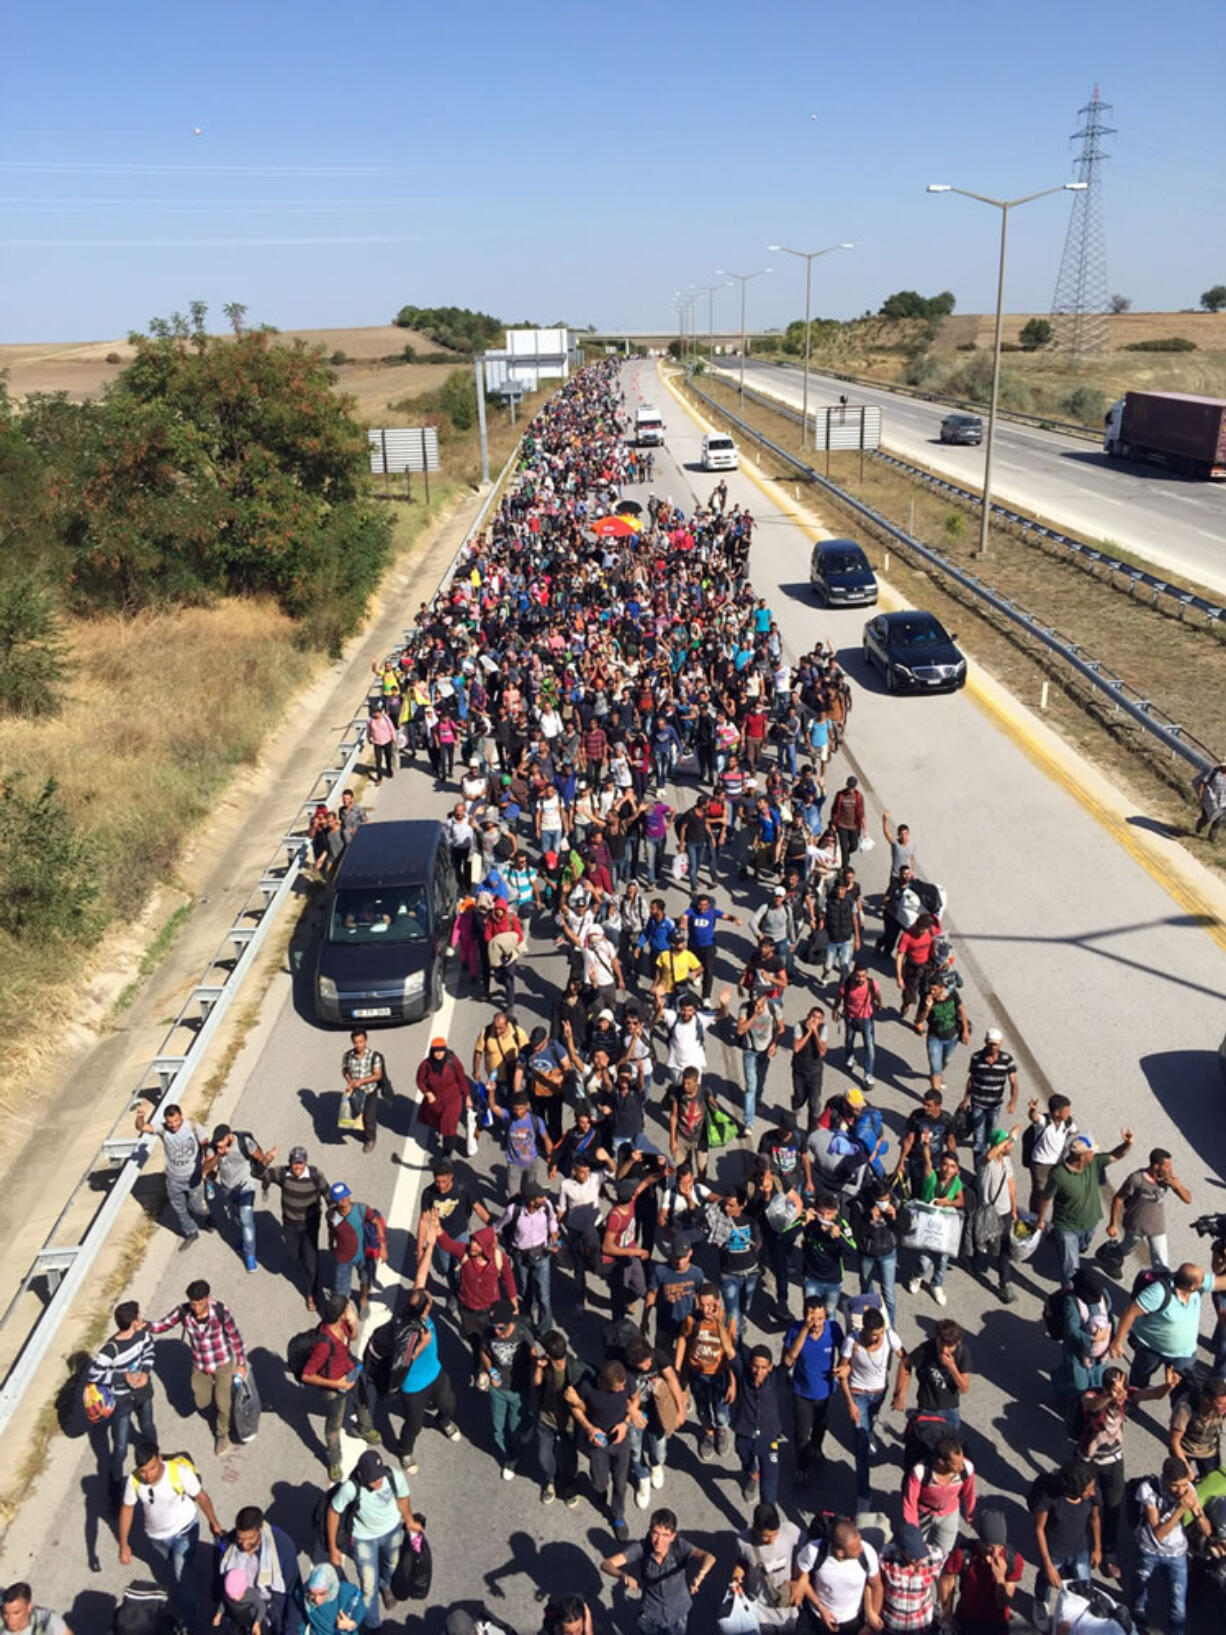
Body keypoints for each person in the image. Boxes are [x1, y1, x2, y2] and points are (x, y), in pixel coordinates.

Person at [118, 1440, 223, 1633]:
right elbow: (127, 1509)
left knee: (182, 1580)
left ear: (159, 1459)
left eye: (152, 1468)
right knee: (176, 1565)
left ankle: (189, 1626)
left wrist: (213, 1521)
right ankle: (190, 1571)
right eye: (143, 1471)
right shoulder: (134, 1481)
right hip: (157, 1537)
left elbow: (201, 1496)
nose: (148, 1475)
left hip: (185, 1530)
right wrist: (123, 1544)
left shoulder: (179, 1473)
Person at [147, 1278, 247, 1456]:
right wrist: (145, 1326)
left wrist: (241, 1363)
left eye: (199, 1303)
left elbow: (235, 1337)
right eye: (193, 1303)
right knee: (202, 1402)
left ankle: (222, 1434)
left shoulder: (220, 1312)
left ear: (208, 1298)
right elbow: (163, 1324)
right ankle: (218, 1397)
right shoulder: (184, 1312)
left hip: (222, 1362)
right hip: (200, 1365)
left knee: (223, 1405)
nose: (195, 1308)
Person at [325, 1449, 420, 1631]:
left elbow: (403, 1498)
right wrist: (333, 1548)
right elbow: (333, 1511)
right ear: (361, 1475)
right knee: (368, 1587)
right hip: (363, 1540)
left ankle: (385, 1586)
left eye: (379, 1478)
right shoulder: (350, 1488)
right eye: (372, 1480)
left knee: (391, 1566)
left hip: (392, 1531)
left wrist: (409, 1520)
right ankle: (374, 1626)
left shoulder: (393, 1476)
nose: (378, 1483)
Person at [1035, 1129, 1135, 1288]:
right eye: (1091, 1152)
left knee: (1082, 1246)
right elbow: (1046, 1198)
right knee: (1071, 1269)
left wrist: (1127, 1143)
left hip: (1090, 1222)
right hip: (1067, 1227)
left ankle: (1058, 1241)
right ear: (1082, 1157)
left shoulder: (1093, 1163)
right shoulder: (1059, 1174)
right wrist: (1040, 1219)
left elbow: (1116, 1155)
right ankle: (1070, 1299)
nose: (1094, 1154)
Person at [301, 1293, 382, 1480]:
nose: (350, 1310)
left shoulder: (342, 1326)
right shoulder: (323, 1343)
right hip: (334, 1389)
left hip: (350, 1371)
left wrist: (353, 1323)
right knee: (333, 1426)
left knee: (362, 1403)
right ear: (340, 1315)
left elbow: (352, 1338)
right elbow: (307, 1375)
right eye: (347, 1309)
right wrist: (336, 1384)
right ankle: (334, 1460)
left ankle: (364, 1427)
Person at [600, 1507, 716, 1635]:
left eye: (665, 1535)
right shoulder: (642, 1548)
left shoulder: (680, 1547)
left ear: (672, 1536)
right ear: (650, 1532)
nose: (658, 1541)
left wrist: (699, 1576)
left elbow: (709, 1557)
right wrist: (623, 1575)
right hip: (650, 1614)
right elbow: (606, 1564)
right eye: (655, 1533)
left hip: (677, 1613)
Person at [1109, 1259, 1226, 1385]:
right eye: (1201, 1280)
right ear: (1192, 1286)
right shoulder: (1158, 1293)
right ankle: (1133, 1399)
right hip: (1150, 1349)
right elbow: (1129, 1312)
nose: (1205, 1281)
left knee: (1182, 1387)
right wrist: (1117, 1343)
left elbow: (1221, 1282)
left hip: (1184, 1354)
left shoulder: (1195, 1284)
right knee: (1139, 1380)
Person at [1130, 1456, 1210, 1635]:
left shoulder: (1188, 1490)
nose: (1181, 1491)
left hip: (1177, 1554)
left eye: (1184, 1484)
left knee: (1178, 1603)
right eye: (1175, 1485)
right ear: (1165, 1479)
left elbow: (1206, 1529)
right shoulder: (1148, 1490)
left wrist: (1198, 1514)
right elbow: (1158, 1534)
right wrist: (1181, 1508)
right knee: (1140, 1588)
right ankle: (1137, 1612)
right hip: (1149, 1549)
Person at [86, 1299, 158, 1501]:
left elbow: (149, 1351)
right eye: (139, 1315)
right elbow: (94, 1376)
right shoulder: (111, 1350)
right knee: (120, 1447)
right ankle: (116, 1487)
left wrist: (145, 1372)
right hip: (122, 1400)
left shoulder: (142, 1334)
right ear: (133, 1321)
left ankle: (156, 1460)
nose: (141, 1318)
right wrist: (121, 1377)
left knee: (148, 1426)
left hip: (143, 1392)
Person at [385, 1287, 461, 1472]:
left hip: (435, 1372)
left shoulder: (420, 1309)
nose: (430, 1296)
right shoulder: (407, 1329)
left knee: (449, 1404)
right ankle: (405, 1451)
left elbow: (421, 1275)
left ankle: (443, 1420)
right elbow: (402, 1361)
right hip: (414, 1386)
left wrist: (426, 1255)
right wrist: (422, 1344)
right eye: (428, 1298)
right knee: (414, 1424)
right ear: (425, 1308)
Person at [837, 1306, 904, 1515]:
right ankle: (863, 1495)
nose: (878, 1339)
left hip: (879, 1393)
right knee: (862, 1449)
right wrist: (850, 1403)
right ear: (864, 1329)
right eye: (874, 1335)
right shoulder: (852, 1342)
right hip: (859, 1395)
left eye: (880, 1334)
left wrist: (900, 1392)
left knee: (871, 1424)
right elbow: (842, 1373)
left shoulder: (890, 1337)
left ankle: (870, 1432)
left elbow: (906, 1359)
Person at [566, 1357, 640, 1541]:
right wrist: (589, 1427)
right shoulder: (587, 1387)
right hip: (599, 1443)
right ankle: (600, 1489)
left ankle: (618, 1516)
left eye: (623, 1386)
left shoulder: (627, 1380)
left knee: (621, 1482)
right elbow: (574, 1406)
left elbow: (635, 1398)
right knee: (599, 1483)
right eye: (618, 1388)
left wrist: (625, 1423)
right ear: (605, 1384)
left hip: (621, 1440)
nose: (622, 1389)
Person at [1030, 1459, 1101, 1629]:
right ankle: (1040, 1601)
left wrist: (1097, 1548)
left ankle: (1079, 1615)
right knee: (1046, 1580)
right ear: (1075, 1489)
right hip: (1054, 1551)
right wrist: (1047, 1564)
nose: (1093, 1492)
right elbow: (1039, 1529)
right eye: (1088, 1489)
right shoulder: (1049, 1498)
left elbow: (1095, 1518)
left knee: (1084, 1587)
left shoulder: (1092, 1494)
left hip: (1081, 1549)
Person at [414, 1157, 492, 1310]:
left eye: (444, 1181)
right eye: (437, 1181)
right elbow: (424, 1220)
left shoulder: (462, 1188)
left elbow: (478, 1208)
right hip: (441, 1238)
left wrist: (492, 1228)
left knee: (463, 1265)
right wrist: (420, 1249)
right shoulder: (428, 1194)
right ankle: (454, 1290)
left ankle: (463, 1293)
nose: (440, 1186)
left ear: (451, 1177)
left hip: (460, 1235)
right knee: (446, 1268)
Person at [134, 1099, 211, 1247]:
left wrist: (205, 1169)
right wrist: (141, 1115)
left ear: (181, 1116)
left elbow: (206, 1146)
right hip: (173, 1179)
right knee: (180, 1209)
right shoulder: (162, 1129)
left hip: (193, 1177)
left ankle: (206, 1218)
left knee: (197, 1206)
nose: (173, 1125)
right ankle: (191, 1232)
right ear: (165, 1121)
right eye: (170, 1122)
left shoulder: (193, 1127)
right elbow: (141, 1127)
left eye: (176, 1121)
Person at [216, 1504, 303, 1635]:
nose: (244, 1545)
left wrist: (290, 1631)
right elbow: (221, 1585)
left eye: (250, 1538)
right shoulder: (228, 1547)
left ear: (260, 1530)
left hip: (272, 1612)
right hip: (239, 1612)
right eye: (240, 1539)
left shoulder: (282, 1546)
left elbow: (293, 1592)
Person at [261, 1146, 330, 1309]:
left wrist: (334, 1216)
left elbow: (328, 1194)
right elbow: (258, 1174)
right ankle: (305, 1263)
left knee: (311, 1263)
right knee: (293, 1256)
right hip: (290, 1225)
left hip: (310, 1225)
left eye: (300, 1163)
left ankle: (311, 1294)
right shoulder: (283, 1174)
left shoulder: (315, 1176)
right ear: (289, 1163)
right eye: (294, 1163)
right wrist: (266, 1161)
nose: (297, 1167)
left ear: (305, 1162)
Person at [675, 1283, 737, 1464]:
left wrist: (733, 1382)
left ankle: (722, 1430)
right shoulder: (692, 1320)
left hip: (719, 1373)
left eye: (710, 1305)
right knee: (702, 1408)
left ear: (718, 1302)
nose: (705, 1310)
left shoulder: (727, 1322)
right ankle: (708, 1432)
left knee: (721, 1409)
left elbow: (733, 1353)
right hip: (697, 1373)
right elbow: (682, 1339)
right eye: (701, 1305)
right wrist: (678, 1369)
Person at [784, 1297, 843, 1481]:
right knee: (802, 1434)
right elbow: (789, 1358)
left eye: (819, 1319)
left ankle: (817, 1448)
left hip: (826, 1392)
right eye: (812, 1319)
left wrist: (843, 1366)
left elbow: (846, 1351)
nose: (816, 1324)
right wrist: (804, 1329)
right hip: (802, 1393)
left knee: (821, 1426)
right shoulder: (795, 1329)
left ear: (825, 1315)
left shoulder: (833, 1329)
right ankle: (802, 1466)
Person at [937, 1509, 1023, 1634]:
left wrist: (1000, 1578)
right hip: (966, 1620)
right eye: (990, 1547)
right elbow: (947, 1579)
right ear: (980, 1541)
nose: (995, 1553)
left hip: (997, 1624)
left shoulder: (1013, 1560)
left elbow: (1002, 1603)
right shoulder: (963, 1555)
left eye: (1000, 1547)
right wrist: (948, 1614)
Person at [478, 1299, 536, 1482]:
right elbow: (483, 1352)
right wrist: (489, 1370)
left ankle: (518, 1448)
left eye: (501, 1328)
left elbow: (533, 1356)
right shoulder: (489, 1333)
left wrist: (536, 1379)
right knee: (498, 1428)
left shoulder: (522, 1333)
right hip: (498, 1389)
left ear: (511, 1323)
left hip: (519, 1389)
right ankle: (509, 1458)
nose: (497, 1332)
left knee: (514, 1427)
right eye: (495, 1327)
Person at [793, 1517, 883, 1635]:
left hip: (852, 1623)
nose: (861, 1549)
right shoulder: (814, 1551)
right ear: (840, 1552)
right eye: (856, 1548)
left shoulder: (867, 1553)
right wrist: (820, 1607)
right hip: (817, 1618)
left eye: (860, 1543)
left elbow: (877, 1587)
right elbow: (800, 1579)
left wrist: (870, 1625)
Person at [1105, 1148, 1191, 1271]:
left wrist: (1177, 1185)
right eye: (1167, 1166)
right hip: (1135, 1226)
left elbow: (1188, 1199)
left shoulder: (1167, 1179)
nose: (1170, 1169)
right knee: (1127, 1248)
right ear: (1156, 1166)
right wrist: (1113, 1224)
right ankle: (1112, 1252)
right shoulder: (1136, 1179)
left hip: (1157, 1228)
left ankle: (1158, 1285)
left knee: (1162, 1265)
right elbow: (1118, 1199)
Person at [722, 1501, 801, 1632]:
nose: (772, 1540)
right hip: (760, 1610)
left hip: (787, 1607)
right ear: (754, 1528)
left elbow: (804, 1556)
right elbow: (742, 1561)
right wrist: (737, 1576)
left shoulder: (791, 1531)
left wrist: (801, 1581)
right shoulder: (744, 1541)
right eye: (766, 1536)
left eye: (775, 1534)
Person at [903, 1144, 964, 1308]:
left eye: (952, 1166)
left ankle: (936, 1284)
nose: (947, 1169)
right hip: (928, 1227)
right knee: (924, 1260)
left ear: (957, 1169)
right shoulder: (932, 1178)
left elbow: (961, 1200)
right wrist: (925, 1147)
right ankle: (917, 1276)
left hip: (945, 1230)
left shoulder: (956, 1182)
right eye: (945, 1164)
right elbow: (928, 1162)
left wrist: (948, 1202)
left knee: (942, 1262)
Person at [497, 1178, 560, 1334]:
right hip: (521, 1256)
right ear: (531, 1201)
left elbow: (553, 1218)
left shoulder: (546, 1206)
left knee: (544, 1296)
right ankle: (527, 1319)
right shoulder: (514, 1211)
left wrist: (553, 1231)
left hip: (542, 1255)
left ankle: (544, 1329)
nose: (544, 1199)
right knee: (525, 1291)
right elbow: (498, 1226)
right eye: (540, 1197)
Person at [204, 1124, 271, 1272]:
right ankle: (246, 1239)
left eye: (221, 1143)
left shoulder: (244, 1142)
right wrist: (218, 1155)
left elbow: (260, 1159)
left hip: (246, 1185)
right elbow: (206, 1169)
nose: (219, 1146)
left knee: (246, 1219)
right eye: (217, 1144)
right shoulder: (213, 1148)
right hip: (227, 1187)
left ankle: (250, 1256)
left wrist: (266, 1177)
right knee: (237, 1218)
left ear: (229, 1136)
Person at [730, 1344, 787, 1505]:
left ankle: (766, 1521)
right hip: (745, 1433)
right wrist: (720, 1323)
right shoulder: (743, 1375)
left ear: (770, 1367)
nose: (759, 1371)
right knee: (744, 1456)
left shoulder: (775, 1378)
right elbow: (729, 1351)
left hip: (769, 1437)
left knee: (769, 1491)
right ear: (750, 1365)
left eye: (763, 1367)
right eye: (755, 1366)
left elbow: (791, 1357)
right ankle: (752, 1473)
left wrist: (805, 1328)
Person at [892, 1318, 972, 1434]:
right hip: (927, 1407)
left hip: (950, 1409)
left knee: (948, 1446)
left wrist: (952, 1367)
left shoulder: (963, 1352)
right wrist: (900, 1394)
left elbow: (964, 1388)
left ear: (957, 1342)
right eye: (941, 1344)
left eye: (949, 1346)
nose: (944, 1350)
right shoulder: (926, 1349)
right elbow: (905, 1364)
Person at [901, 1435, 976, 1556]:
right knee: (917, 1551)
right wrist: (913, 1529)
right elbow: (910, 1503)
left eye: (962, 1461)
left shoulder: (966, 1469)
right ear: (941, 1462)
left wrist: (970, 1514)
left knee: (944, 1553)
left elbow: (969, 1493)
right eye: (956, 1464)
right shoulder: (920, 1472)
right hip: (923, 1514)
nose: (961, 1466)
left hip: (949, 1515)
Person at [533, 1329, 584, 1508]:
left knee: (569, 1458)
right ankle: (551, 1481)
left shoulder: (577, 1370)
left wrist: (577, 1401)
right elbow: (537, 1384)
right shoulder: (545, 1364)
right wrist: (538, 1368)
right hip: (546, 1419)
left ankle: (569, 1485)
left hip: (568, 1423)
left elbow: (590, 1405)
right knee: (543, 1455)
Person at [971, 1128, 1018, 1305]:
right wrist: (1011, 1136)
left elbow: (1011, 1185)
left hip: (1004, 1212)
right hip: (988, 1212)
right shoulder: (985, 1162)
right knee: (984, 1242)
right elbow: (991, 1153)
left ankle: (1005, 1283)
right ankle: (974, 1258)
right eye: (1006, 1143)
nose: (1010, 1146)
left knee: (1003, 1249)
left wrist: (1014, 1209)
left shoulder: (1006, 1162)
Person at [960, 1031, 1018, 1167]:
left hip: (994, 1105)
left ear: (1000, 1044)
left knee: (990, 1136)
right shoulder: (976, 1058)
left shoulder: (1007, 1060)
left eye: (996, 1045)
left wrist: (1012, 1101)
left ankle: (987, 1158)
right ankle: (979, 1169)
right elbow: (971, 1079)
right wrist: (965, 1098)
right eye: (991, 1044)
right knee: (979, 1139)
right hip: (978, 1103)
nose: (993, 1047)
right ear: (986, 1042)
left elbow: (1014, 1082)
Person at [877, 1522, 944, 1635]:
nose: (921, 1561)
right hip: (893, 1625)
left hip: (922, 1624)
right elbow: (875, 1585)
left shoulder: (935, 1556)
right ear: (901, 1551)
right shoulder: (885, 1557)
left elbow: (946, 1577)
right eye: (915, 1558)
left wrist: (945, 1609)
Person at [414, 1038, 471, 1158]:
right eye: (436, 1051)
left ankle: (447, 1152)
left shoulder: (453, 1062)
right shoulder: (426, 1065)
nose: (439, 1054)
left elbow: (462, 1080)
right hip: (436, 1101)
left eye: (441, 1050)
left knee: (449, 1126)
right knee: (439, 1123)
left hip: (453, 1099)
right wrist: (427, 1093)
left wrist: (467, 1096)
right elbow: (420, 1081)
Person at [1168, 1373, 1226, 1478]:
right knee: (1180, 1482)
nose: (1224, 1407)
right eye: (1220, 1404)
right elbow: (1174, 1441)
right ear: (1207, 1400)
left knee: (1212, 1483)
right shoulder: (1185, 1408)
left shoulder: (1223, 1406)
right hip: (1185, 1449)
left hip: (1209, 1450)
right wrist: (1186, 1468)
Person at [340, 1030, 386, 1155]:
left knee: (369, 1116)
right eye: (356, 1042)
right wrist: (350, 1082)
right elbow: (345, 1070)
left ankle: (370, 1138)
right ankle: (363, 1129)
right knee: (357, 1113)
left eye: (361, 1042)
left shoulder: (374, 1056)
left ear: (366, 1041)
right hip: (356, 1091)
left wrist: (361, 1081)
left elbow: (377, 1075)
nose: (359, 1045)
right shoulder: (348, 1056)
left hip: (370, 1091)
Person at [294, 1563, 365, 1633]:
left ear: (331, 1586)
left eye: (322, 1594)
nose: (317, 1600)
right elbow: (300, 1621)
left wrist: (352, 1624)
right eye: (312, 1594)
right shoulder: (303, 1596)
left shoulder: (347, 1593)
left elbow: (360, 1610)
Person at [0, 1586, 71, 1635]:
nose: (10, 1620)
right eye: (5, 1613)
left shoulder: (46, 1620)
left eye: (16, 1613)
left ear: (29, 1607)